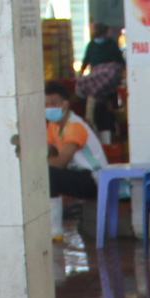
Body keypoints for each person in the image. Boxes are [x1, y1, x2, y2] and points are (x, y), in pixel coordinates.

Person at [46, 80, 106, 238]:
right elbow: (44, 150)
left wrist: (34, 164)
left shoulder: (75, 126)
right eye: (46, 104)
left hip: (95, 179)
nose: (49, 108)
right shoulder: (54, 126)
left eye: (53, 103)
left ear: (65, 104)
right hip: (80, 176)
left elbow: (60, 162)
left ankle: (55, 230)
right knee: (45, 173)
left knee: (49, 174)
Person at [77, 21, 124, 136]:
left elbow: (120, 61)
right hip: (96, 75)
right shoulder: (91, 45)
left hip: (109, 75)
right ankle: (90, 120)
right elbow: (85, 61)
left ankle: (112, 131)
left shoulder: (111, 44)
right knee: (84, 84)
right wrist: (79, 74)